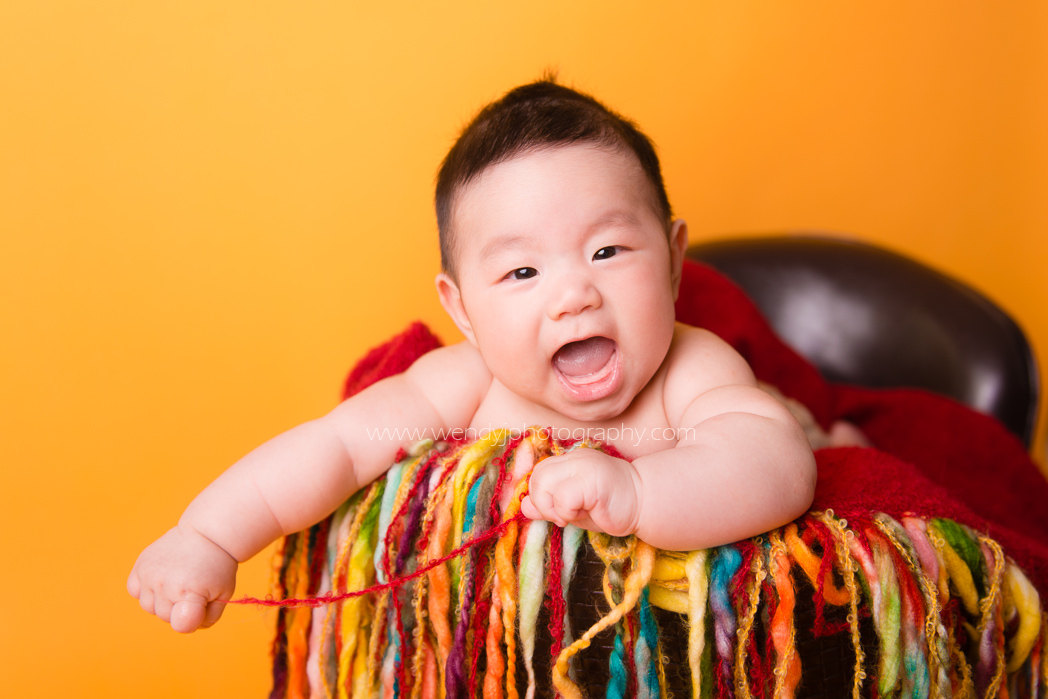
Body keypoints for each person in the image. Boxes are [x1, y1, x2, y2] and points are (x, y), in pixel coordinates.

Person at [128, 79, 817, 633]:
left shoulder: (692, 368)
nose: (573, 294)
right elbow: (337, 445)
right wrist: (210, 535)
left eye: (607, 251)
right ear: (461, 311)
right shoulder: (463, 383)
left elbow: (777, 464)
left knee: (790, 419)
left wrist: (640, 493)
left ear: (672, 261)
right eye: (522, 273)